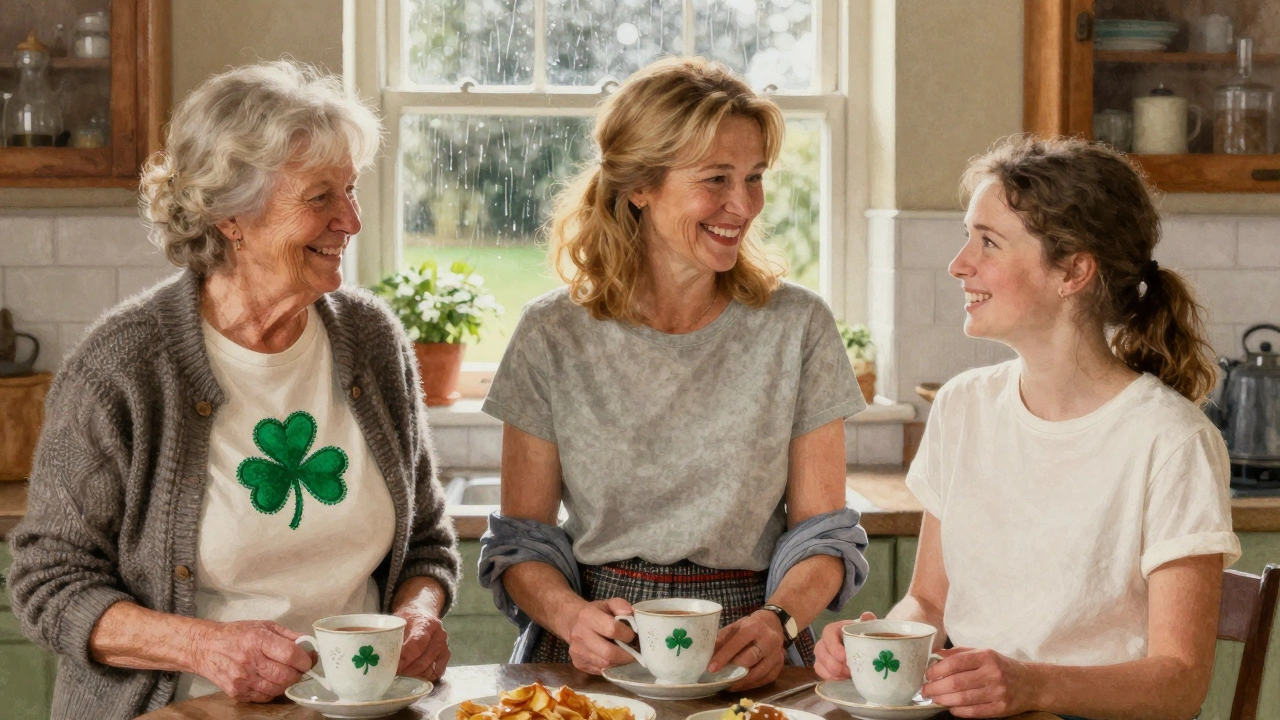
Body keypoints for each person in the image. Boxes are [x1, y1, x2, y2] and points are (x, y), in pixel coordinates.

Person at [7, 61, 461, 720]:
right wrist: (207, 648)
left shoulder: (372, 341)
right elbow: (47, 586)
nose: (352, 221)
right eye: (320, 197)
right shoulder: (122, 368)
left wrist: (417, 615)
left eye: (352, 190)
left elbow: (425, 539)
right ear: (231, 216)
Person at [476, 56, 870, 692]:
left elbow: (823, 534)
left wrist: (781, 621)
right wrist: (570, 616)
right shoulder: (552, 333)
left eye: (754, 177)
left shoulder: (797, 326)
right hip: (598, 646)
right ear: (641, 186)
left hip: (748, 642)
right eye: (716, 179)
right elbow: (523, 542)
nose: (742, 205)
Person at [813, 136, 1240, 720]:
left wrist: (1032, 686)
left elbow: (1180, 684)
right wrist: (881, 644)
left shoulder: (1171, 441)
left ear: (1073, 271)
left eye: (987, 242)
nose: (959, 263)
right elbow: (929, 603)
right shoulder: (963, 407)